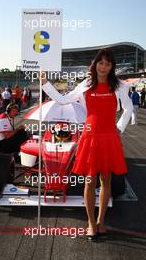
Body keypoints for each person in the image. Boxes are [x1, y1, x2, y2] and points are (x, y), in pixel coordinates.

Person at [40, 48, 133, 240]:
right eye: (101, 62)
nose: (104, 67)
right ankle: (91, 223)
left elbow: (128, 108)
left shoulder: (119, 86)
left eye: (108, 63)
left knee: (105, 180)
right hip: (90, 137)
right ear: (95, 64)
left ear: (112, 66)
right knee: (90, 181)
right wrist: (45, 83)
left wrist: (119, 128)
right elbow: (64, 100)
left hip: (109, 137)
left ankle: (101, 221)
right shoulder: (86, 84)